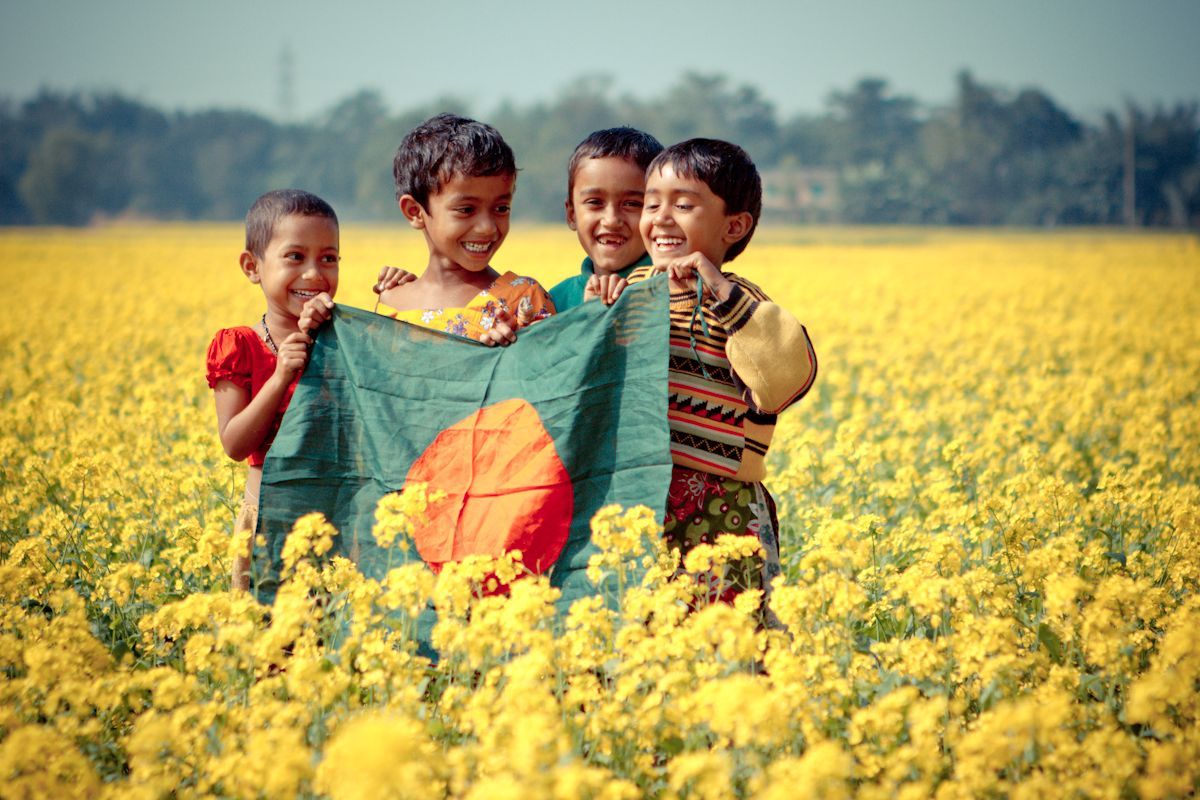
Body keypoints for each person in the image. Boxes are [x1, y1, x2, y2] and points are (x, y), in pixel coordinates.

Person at [627, 138, 818, 613]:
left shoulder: (739, 304)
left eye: (683, 204)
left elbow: (784, 379)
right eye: (651, 204)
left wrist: (720, 290)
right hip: (640, 498)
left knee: (732, 634)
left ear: (734, 226)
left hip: (724, 505)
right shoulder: (630, 294)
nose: (661, 218)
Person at [206, 189, 338, 591]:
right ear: (253, 266)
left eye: (329, 258)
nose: (314, 274)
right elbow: (234, 444)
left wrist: (393, 294)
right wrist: (281, 376)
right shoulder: (240, 346)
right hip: (267, 520)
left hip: (336, 520)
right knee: (267, 641)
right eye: (295, 257)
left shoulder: (343, 343)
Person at [374, 113, 554, 344]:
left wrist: (514, 348)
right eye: (466, 209)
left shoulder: (523, 300)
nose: (487, 228)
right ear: (415, 212)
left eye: (501, 208)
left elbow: (549, 371)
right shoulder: (390, 304)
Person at [548, 127, 663, 311]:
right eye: (595, 202)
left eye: (632, 204)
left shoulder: (675, 292)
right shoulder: (555, 301)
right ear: (571, 215)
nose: (611, 220)